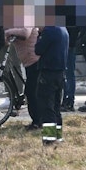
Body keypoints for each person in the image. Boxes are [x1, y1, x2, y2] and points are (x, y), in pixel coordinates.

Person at [34, 11, 68, 145]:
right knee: (56, 107)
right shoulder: (62, 29)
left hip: (48, 73)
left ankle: (49, 139)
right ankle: (58, 137)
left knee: (46, 107)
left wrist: (38, 35)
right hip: (60, 73)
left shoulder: (49, 31)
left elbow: (38, 50)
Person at [4, 25, 41, 129]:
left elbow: (25, 33)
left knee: (31, 92)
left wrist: (9, 31)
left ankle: (38, 123)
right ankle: (40, 125)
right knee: (31, 93)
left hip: (34, 61)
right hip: (29, 61)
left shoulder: (27, 18)